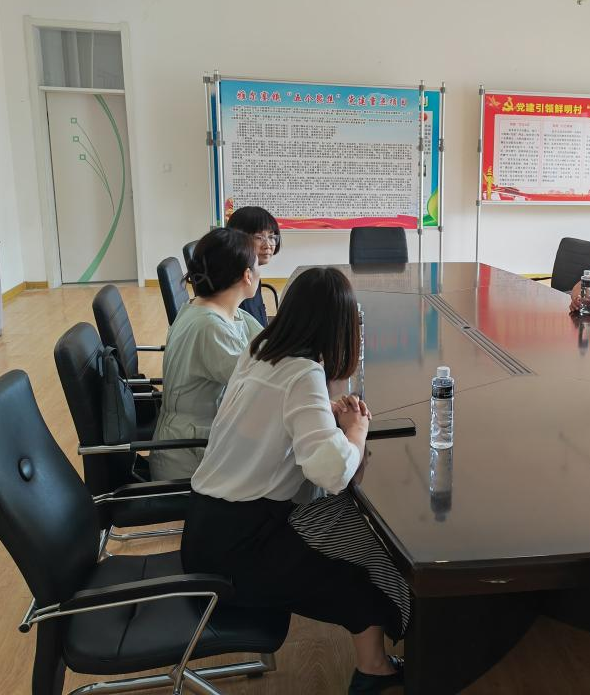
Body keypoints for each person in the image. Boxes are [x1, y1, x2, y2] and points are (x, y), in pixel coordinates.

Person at [181, 267, 407, 693]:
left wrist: (322, 412)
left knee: (354, 537)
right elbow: (332, 473)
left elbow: (271, 422)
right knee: (364, 560)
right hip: (239, 554)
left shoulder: (260, 349)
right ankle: (379, 669)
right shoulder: (303, 373)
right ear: (339, 328)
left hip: (207, 532)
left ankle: (376, 663)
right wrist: (355, 430)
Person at [149, 228, 263, 481]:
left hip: (206, 439)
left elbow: (265, 345)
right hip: (191, 457)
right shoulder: (210, 327)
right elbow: (259, 386)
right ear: (247, 275)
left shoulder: (214, 309)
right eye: (257, 266)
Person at [225, 206, 281, 327]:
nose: (268, 245)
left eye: (271, 237)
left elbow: (259, 319)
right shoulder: (237, 283)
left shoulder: (252, 272)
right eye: (259, 237)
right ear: (237, 239)